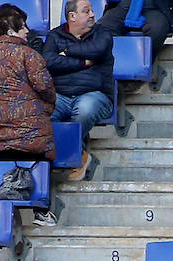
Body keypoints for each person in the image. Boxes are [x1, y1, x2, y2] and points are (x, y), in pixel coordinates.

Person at [43, 0, 115, 180]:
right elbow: (48, 61)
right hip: (60, 96)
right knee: (40, 115)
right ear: (72, 16)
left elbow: (97, 50)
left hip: (94, 95)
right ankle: (81, 154)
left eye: (91, 10)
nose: (92, 14)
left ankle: (68, 155)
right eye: (86, 11)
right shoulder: (55, 35)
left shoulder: (103, 33)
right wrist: (82, 62)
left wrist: (66, 52)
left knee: (84, 110)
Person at [0, 4, 56, 163]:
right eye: (22, 28)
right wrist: (47, 107)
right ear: (10, 31)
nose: (27, 31)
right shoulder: (30, 55)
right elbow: (45, 88)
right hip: (32, 140)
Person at [99, 0, 173, 62]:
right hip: (126, 4)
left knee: (156, 31)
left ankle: (139, 63)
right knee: (101, 29)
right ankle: (116, 61)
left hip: (157, 7)